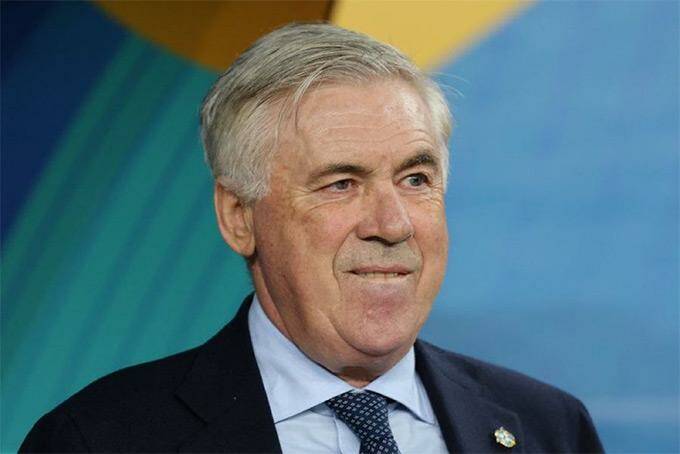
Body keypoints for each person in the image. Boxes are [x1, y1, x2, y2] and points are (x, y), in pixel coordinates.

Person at [20, 23, 604, 453]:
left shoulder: (549, 428)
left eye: (415, 179)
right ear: (238, 217)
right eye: (341, 184)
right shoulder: (98, 439)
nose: (392, 224)